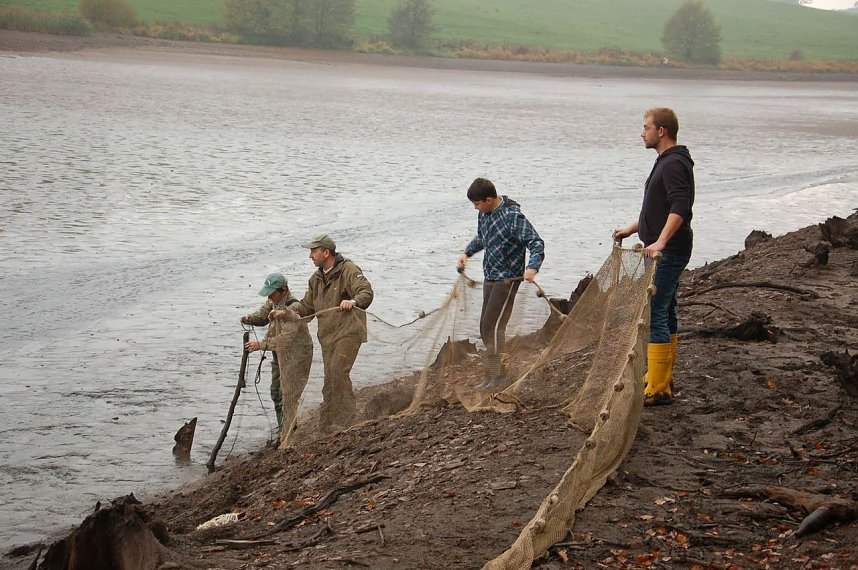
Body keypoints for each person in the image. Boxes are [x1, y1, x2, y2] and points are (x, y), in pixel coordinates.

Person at [614, 107, 695, 406]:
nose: (642, 131)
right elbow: (656, 210)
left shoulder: (674, 164)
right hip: (664, 248)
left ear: (661, 131)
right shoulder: (666, 161)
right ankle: (661, 376)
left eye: (645, 126)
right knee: (667, 308)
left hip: (669, 251)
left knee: (656, 311)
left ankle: (659, 388)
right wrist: (632, 229)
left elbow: (679, 207)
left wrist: (660, 242)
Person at [271, 235, 374, 434]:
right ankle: (328, 423)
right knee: (329, 380)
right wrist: (286, 313)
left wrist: (352, 302)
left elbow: (366, 292)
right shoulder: (315, 279)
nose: (310, 255)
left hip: (349, 332)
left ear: (326, 252)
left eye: (313, 251)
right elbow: (306, 308)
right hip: (327, 337)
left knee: (338, 373)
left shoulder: (349, 270)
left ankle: (347, 421)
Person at [457, 177, 545, 391]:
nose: (474, 208)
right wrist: (466, 252)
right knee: (485, 327)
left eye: (477, 203)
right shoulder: (483, 215)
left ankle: (499, 378)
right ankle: (491, 377)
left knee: (494, 326)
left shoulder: (513, 216)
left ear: (489, 199)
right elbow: (482, 238)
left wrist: (532, 267)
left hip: (508, 279)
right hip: (490, 277)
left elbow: (536, 242)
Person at [240, 272, 313, 438]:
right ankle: (284, 429)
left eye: (272, 293)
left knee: (288, 395)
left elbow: (286, 339)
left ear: (284, 290)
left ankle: (288, 433)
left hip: (297, 355)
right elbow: (262, 316)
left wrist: (260, 345)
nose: (269, 297)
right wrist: (249, 318)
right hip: (278, 355)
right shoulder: (273, 302)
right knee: (276, 392)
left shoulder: (293, 308)